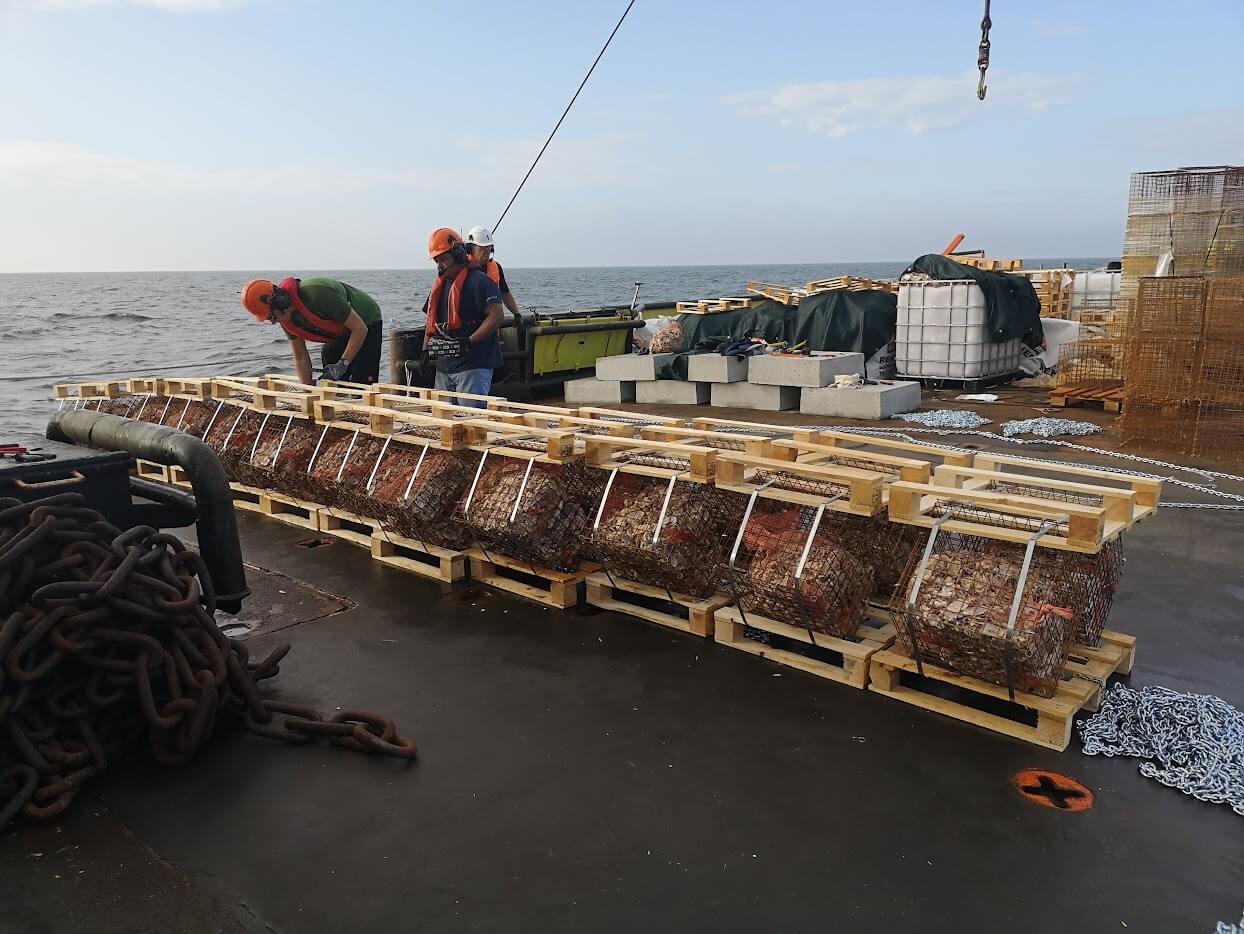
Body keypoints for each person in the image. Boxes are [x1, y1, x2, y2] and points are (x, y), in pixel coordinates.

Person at [241, 276, 384, 385]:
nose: (273, 321)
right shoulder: (285, 318)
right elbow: (300, 356)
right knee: (330, 362)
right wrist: (307, 390)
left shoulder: (317, 294)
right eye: (269, 319)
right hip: (341, 331)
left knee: (363, 379)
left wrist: (343, 364)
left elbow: (359, 329)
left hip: (366, 320)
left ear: (280, 300)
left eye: (272, 316)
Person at [423, 228, 505, 407]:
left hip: (474, 365)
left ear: (459, 254)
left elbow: (497, 316)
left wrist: (468, 341)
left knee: (471, 421)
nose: (440, 265)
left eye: (444, 259)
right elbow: (430, 321)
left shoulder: (479, 282)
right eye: (437, 261)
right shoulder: (439, 286)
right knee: (443, 420)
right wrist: (424, 351)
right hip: (444, 367)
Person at [465, 226, 520, 316]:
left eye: (489, 247)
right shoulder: (462, 268)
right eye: (482, 247)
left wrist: (517, 314)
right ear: (470, 248)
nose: (487, 250)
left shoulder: (496, 267)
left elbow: (505, 292)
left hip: (491, 319)